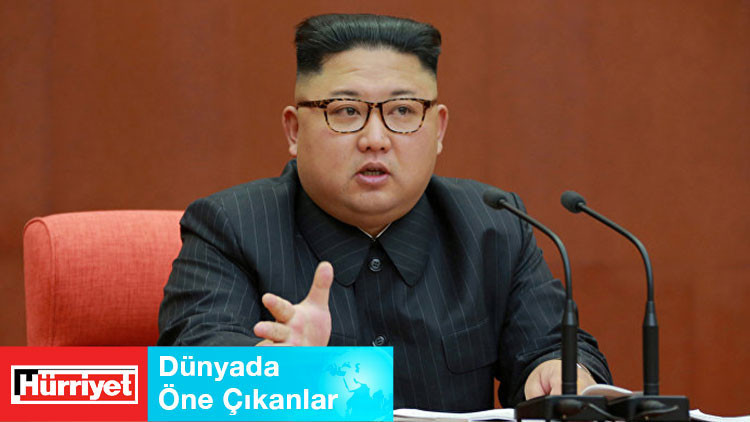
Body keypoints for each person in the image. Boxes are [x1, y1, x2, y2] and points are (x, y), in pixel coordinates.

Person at [158, 13, 612, 410]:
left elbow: (555, 347)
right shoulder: (229, 227)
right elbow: (187, 378)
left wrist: (559, 370)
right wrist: (282, 374)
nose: (375, 139)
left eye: (402, 110)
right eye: (346, 111)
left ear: (438, 130)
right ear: (294, 131)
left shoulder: (494, 226)